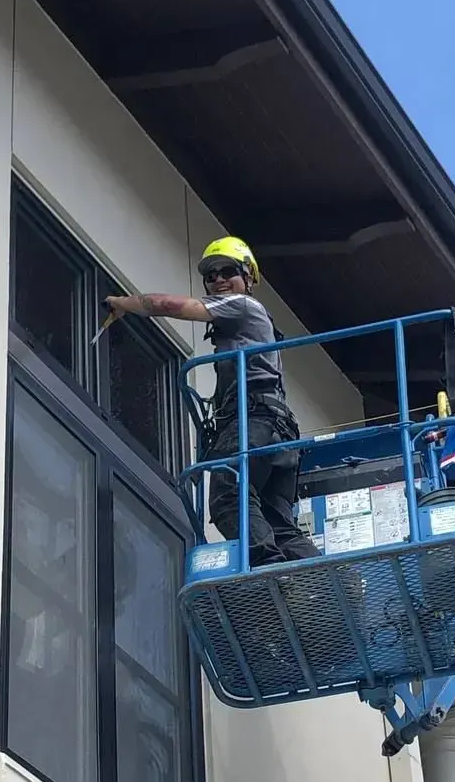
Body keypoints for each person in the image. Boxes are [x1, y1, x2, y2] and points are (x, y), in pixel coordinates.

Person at [103, 236, 320, 567]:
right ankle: (322, 584)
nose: (218, 279)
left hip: (254, 419)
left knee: (228, 500)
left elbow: (168, 305)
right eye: (211, 274)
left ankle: (273, 574)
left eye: (227, 271)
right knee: (279, 524)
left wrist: (124, 303)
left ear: (248, 277)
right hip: (278, 429)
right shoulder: (250, 324)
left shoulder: (241, 305)